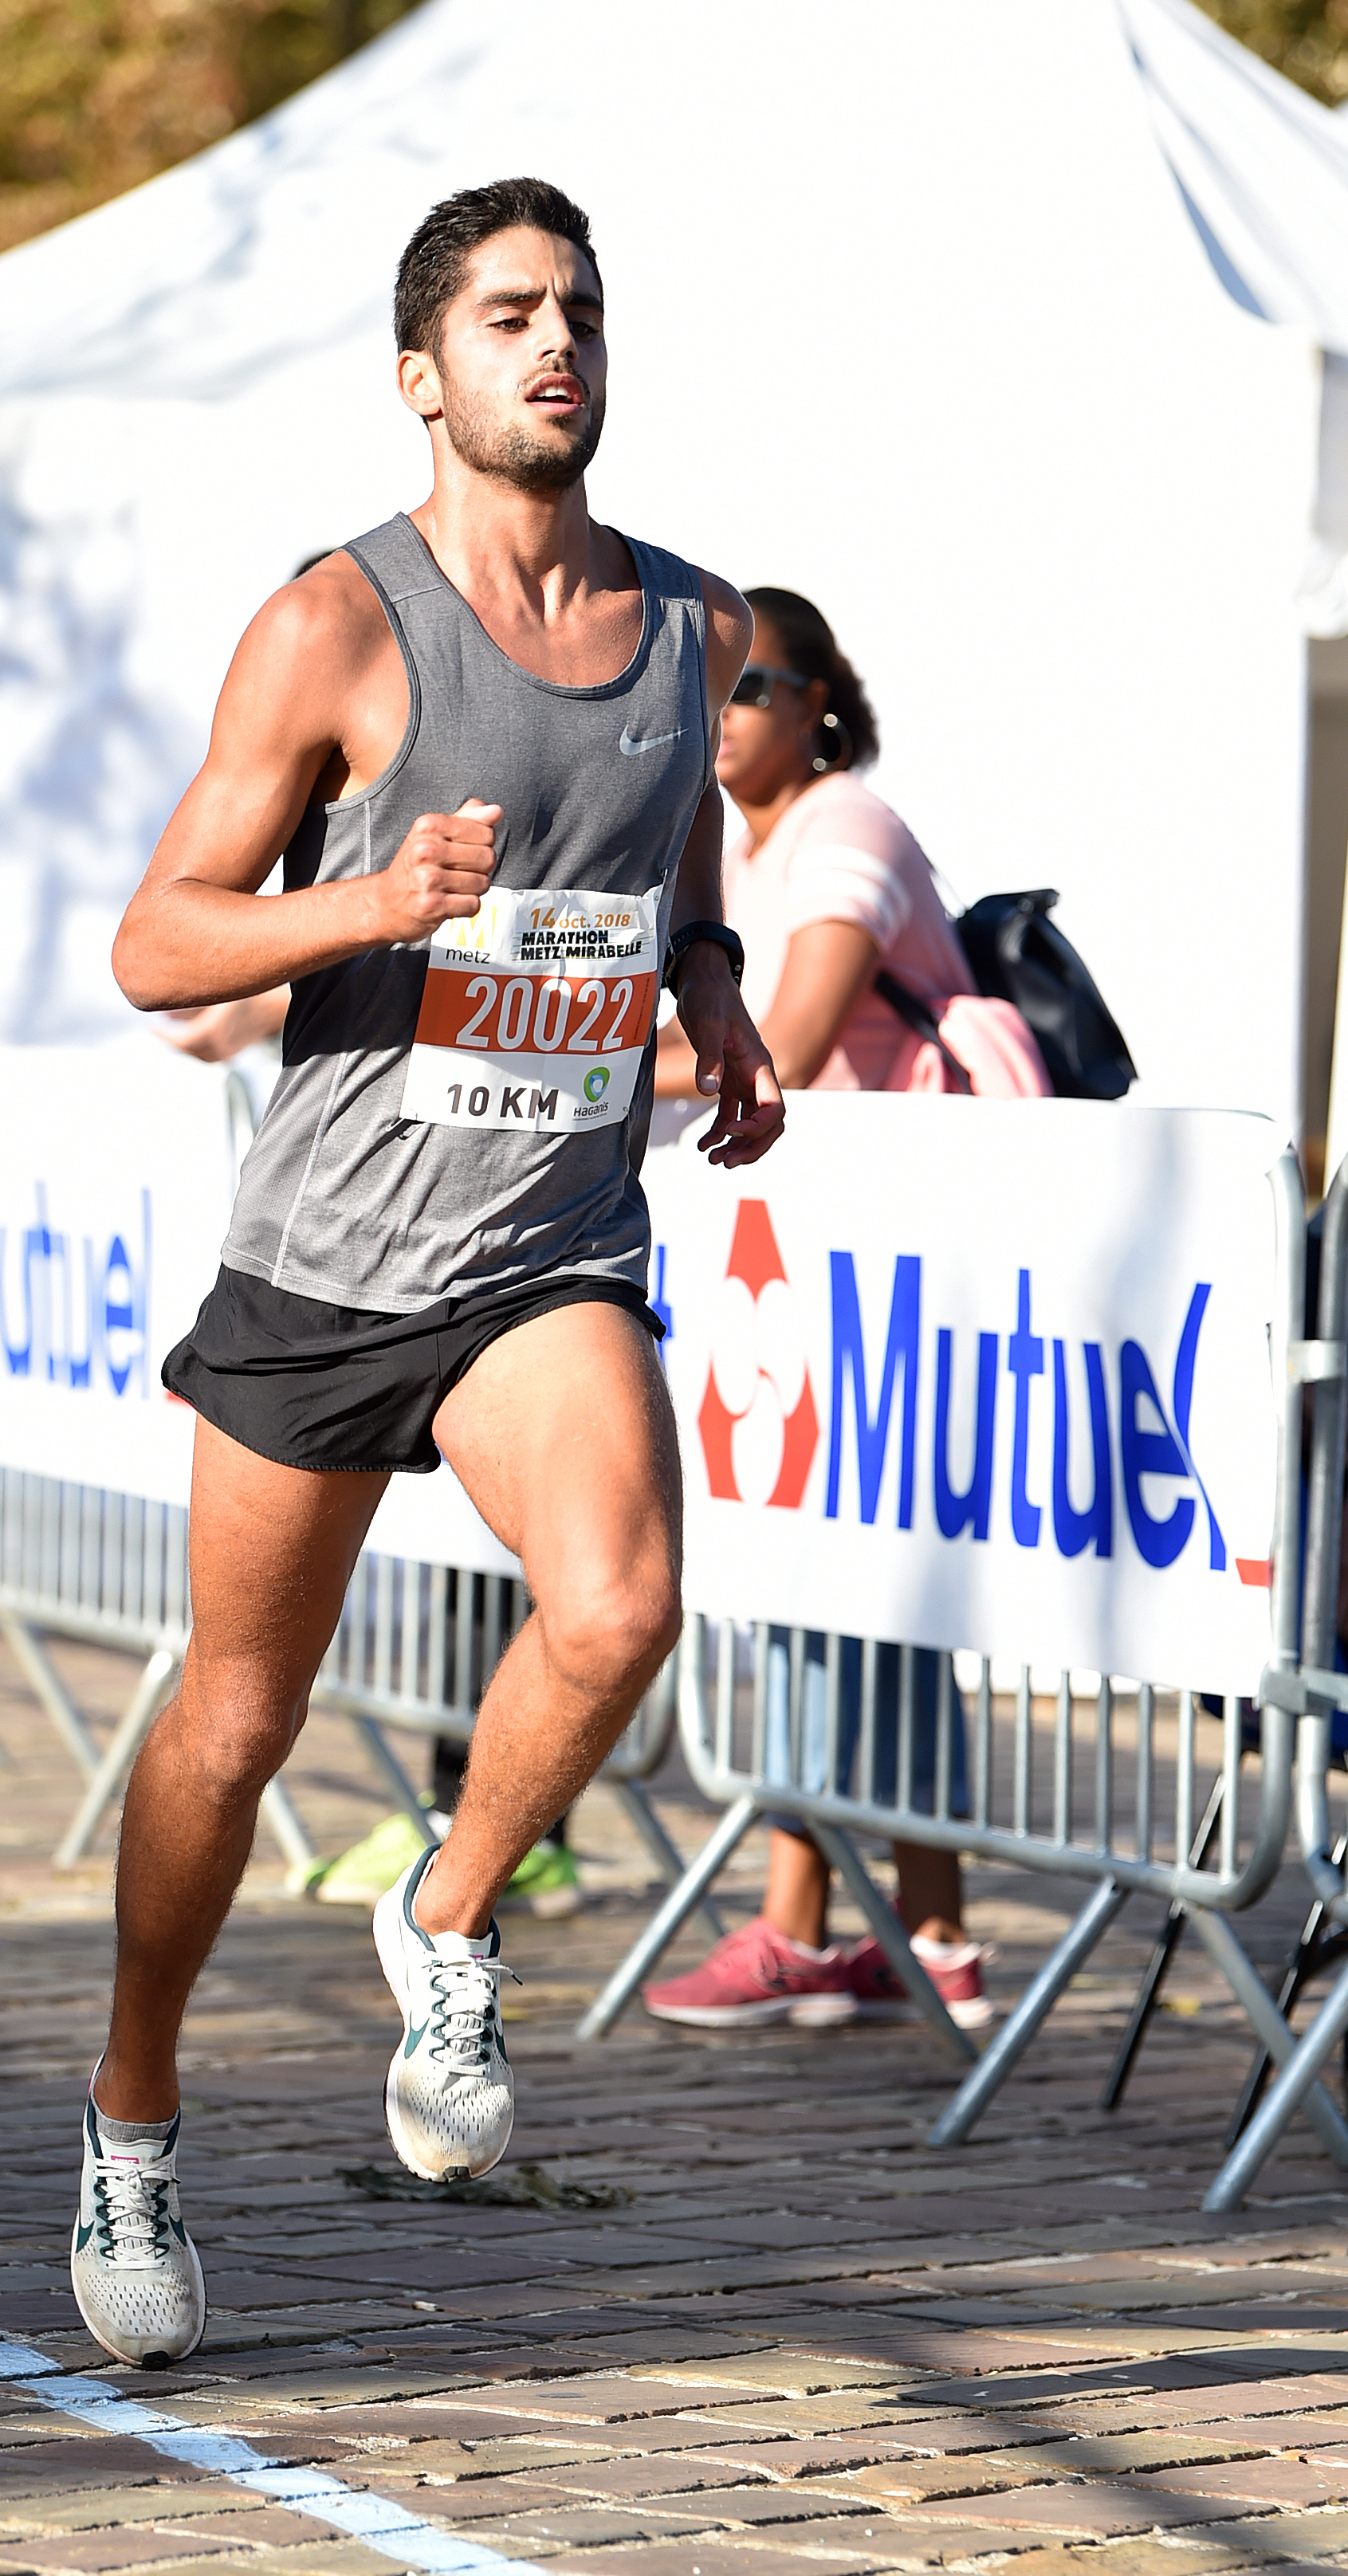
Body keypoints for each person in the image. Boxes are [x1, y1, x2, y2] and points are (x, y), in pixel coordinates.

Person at [72, 176, 784, 2367]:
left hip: (544, 1249)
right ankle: (130, 2117)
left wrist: (721, 991)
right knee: (234, 1723)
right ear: (425, 376)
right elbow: (154, 939)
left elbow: (672, 880)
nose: (550, 343)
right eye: (505, 316)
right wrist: (365, 908)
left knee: (619, 1607)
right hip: (323, 1259)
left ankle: (446, 1916)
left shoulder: (693, 627)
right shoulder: (334, 628)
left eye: (576, 309)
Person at [643, 588, 1030, 2039]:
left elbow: (786, 1049)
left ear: (822, 707)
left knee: (878, 1588)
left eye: (759, 687)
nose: (729, 711)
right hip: (812, 1271)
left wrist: (581, 1051)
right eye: (716, 690)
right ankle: (885, 1931)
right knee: (837, 1587)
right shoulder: (737, 850)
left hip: (907, 1274)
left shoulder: (847, 830)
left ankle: (872, 1926)